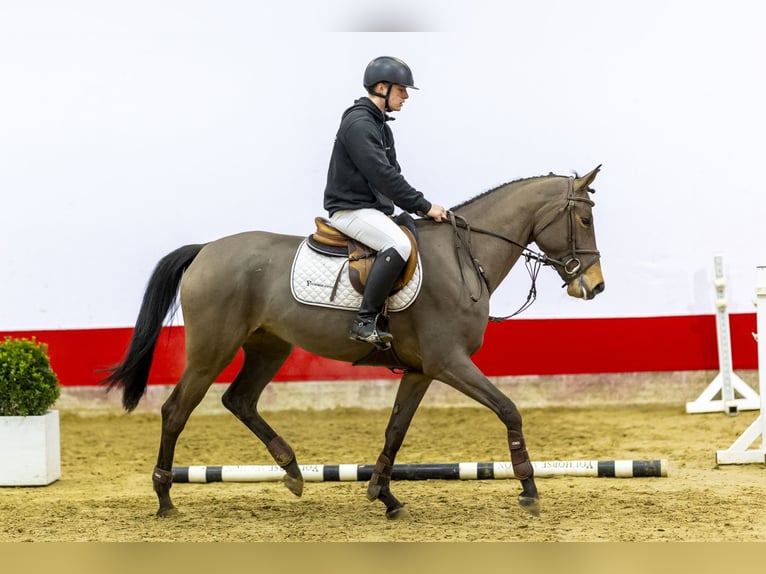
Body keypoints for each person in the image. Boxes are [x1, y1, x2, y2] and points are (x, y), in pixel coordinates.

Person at [323, 56, 447, 350]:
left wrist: (417, 208)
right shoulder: (359, 124)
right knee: (399, 245)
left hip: (372, 211)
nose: (405, 96)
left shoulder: (381, 127)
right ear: (382, 87)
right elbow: (383, 176)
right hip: (351, 210)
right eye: (402, 89)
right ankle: (365, 321)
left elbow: (394, 175)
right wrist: (424, 205)